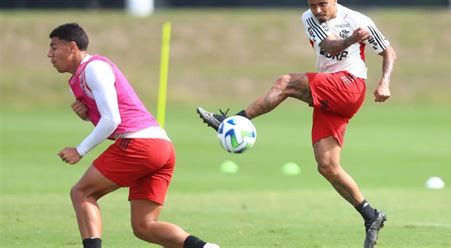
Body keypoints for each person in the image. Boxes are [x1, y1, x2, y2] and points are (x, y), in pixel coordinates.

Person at [197, 0, 396, 247]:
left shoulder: (359, 20)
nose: (317, 10)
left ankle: (231, 120)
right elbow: (330, 47)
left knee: (285, 83)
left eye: (322, 4)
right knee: (327, 166)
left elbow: (388, 51)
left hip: (349, 85)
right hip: (330, 92)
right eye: (312, 4)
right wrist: (351, 40)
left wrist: (384, 82)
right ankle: (371, 215)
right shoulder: (310, 18)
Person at [49, 23, 219, 248]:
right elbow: (109, 114)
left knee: (82, 193)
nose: (49, 54)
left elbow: (112, 120)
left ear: (72, 47)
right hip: (161, 147)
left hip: (140, 143)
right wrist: (87, 114)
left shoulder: (93, 69)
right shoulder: (77, 79)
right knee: (144, 226)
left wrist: (79, 150)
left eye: (54, 47)